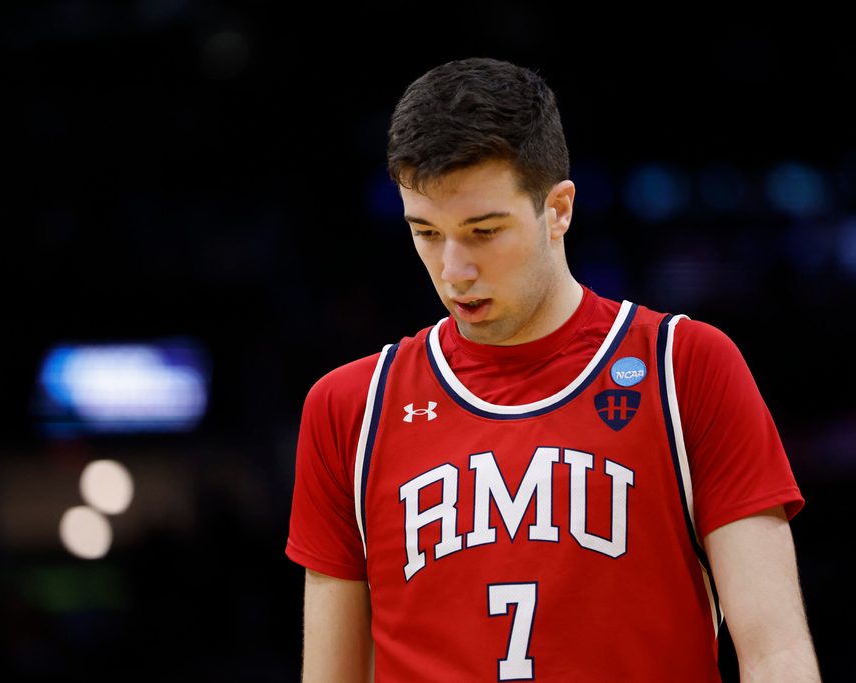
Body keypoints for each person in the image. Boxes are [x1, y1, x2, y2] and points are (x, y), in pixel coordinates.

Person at [286, 56, 820, 682]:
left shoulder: (684, 367)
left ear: (559, 209)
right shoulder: (350, 407)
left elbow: (775, 654)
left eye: (484, 231)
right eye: (427, 232)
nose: (454, 269)